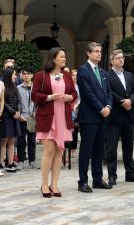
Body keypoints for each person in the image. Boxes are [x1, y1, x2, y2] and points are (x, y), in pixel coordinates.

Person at [32, 47, 77, 197]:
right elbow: (34, 95)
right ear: (53, 59)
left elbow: (74, 92)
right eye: (62, 57)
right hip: (47, 117)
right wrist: (50, 97)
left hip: (63, 116)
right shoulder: (41, 75)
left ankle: (55, 184)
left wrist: (70, 97)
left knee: (59, 152)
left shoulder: (67, 75)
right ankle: (44, 184)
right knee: (49, 151)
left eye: (64, 57)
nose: (64, 59)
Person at [76, 42, 112, 193]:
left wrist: (109, 107)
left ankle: (97, 179)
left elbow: (109, 92)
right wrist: (100, 108)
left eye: (100, 51)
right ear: (88, 53)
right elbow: (87, 93)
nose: (99, 54)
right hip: (89, 117)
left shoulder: (103, 72)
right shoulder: (83, 70)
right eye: (96, 51)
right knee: (86, 150)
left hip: (103, 117)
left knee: (99, 150)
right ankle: (82, 181)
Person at [106, 49, 134, 185]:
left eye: (122, 58)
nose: (121, 60)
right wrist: (123, 101)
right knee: (112, 147)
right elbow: (108, 92)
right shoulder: (107, 75)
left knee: (129, 146)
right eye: (118, 58)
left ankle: (130, 173)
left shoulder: (129, 75)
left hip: (129, 116)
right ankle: (112, 175)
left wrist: (131, 101)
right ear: (112, 61)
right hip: (115, 116)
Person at [0, 67, 21, 172]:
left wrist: (18, 112)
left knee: (12, 140)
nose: (15, 76)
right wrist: (13, 112)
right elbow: (4, 103)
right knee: (4, 140)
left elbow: (18, 101)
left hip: (14, 117)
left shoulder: (15, 87)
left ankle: (10, 162)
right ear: (9, 76)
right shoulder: (2, 87)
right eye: (14, 74)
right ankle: (0, 163)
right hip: (6, 117)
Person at [17, 69, 38, 169]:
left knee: (32, 140)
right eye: (24, 74)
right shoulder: (18, 88)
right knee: (21, 140)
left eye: (28, 73)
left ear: (32, 75)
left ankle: (32, 160)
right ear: (21, 75)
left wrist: (36, 112)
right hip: (22, 117)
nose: (26, 76)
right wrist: (19, 114)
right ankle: (20, 160)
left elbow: (38, 102)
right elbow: (17, 102)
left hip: (33, 118)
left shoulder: (36, 88)